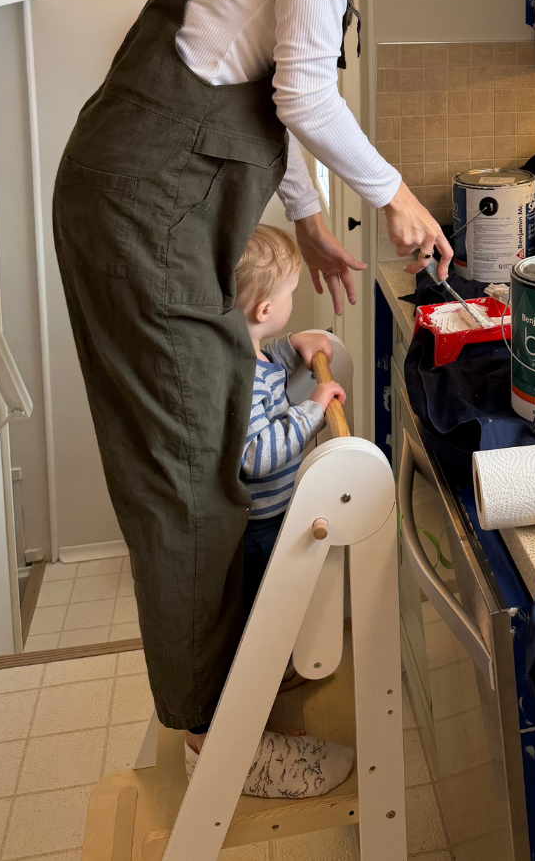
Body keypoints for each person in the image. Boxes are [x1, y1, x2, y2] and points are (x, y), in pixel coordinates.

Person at [52, 0, 466, 762]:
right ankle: (212, 740)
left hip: (139, 192)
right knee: (195, 465)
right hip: (146, 206)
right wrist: (394, 197)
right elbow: (302, 96)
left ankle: (214, 708)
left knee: (197, 447)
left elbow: (247, 90)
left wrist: (313, 221)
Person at [185, 224, 352, 798]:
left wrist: (293, 344)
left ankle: (266, 678)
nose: (290, 302)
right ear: (263, 306)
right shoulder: (242, 377)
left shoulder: (240, 347)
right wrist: (311, 412)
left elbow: (266, 357)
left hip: (268, 518)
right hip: (256, 527)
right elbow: (256, 453)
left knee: (271, 612)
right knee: (259, 619)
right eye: (288, 296)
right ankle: (240, 721)